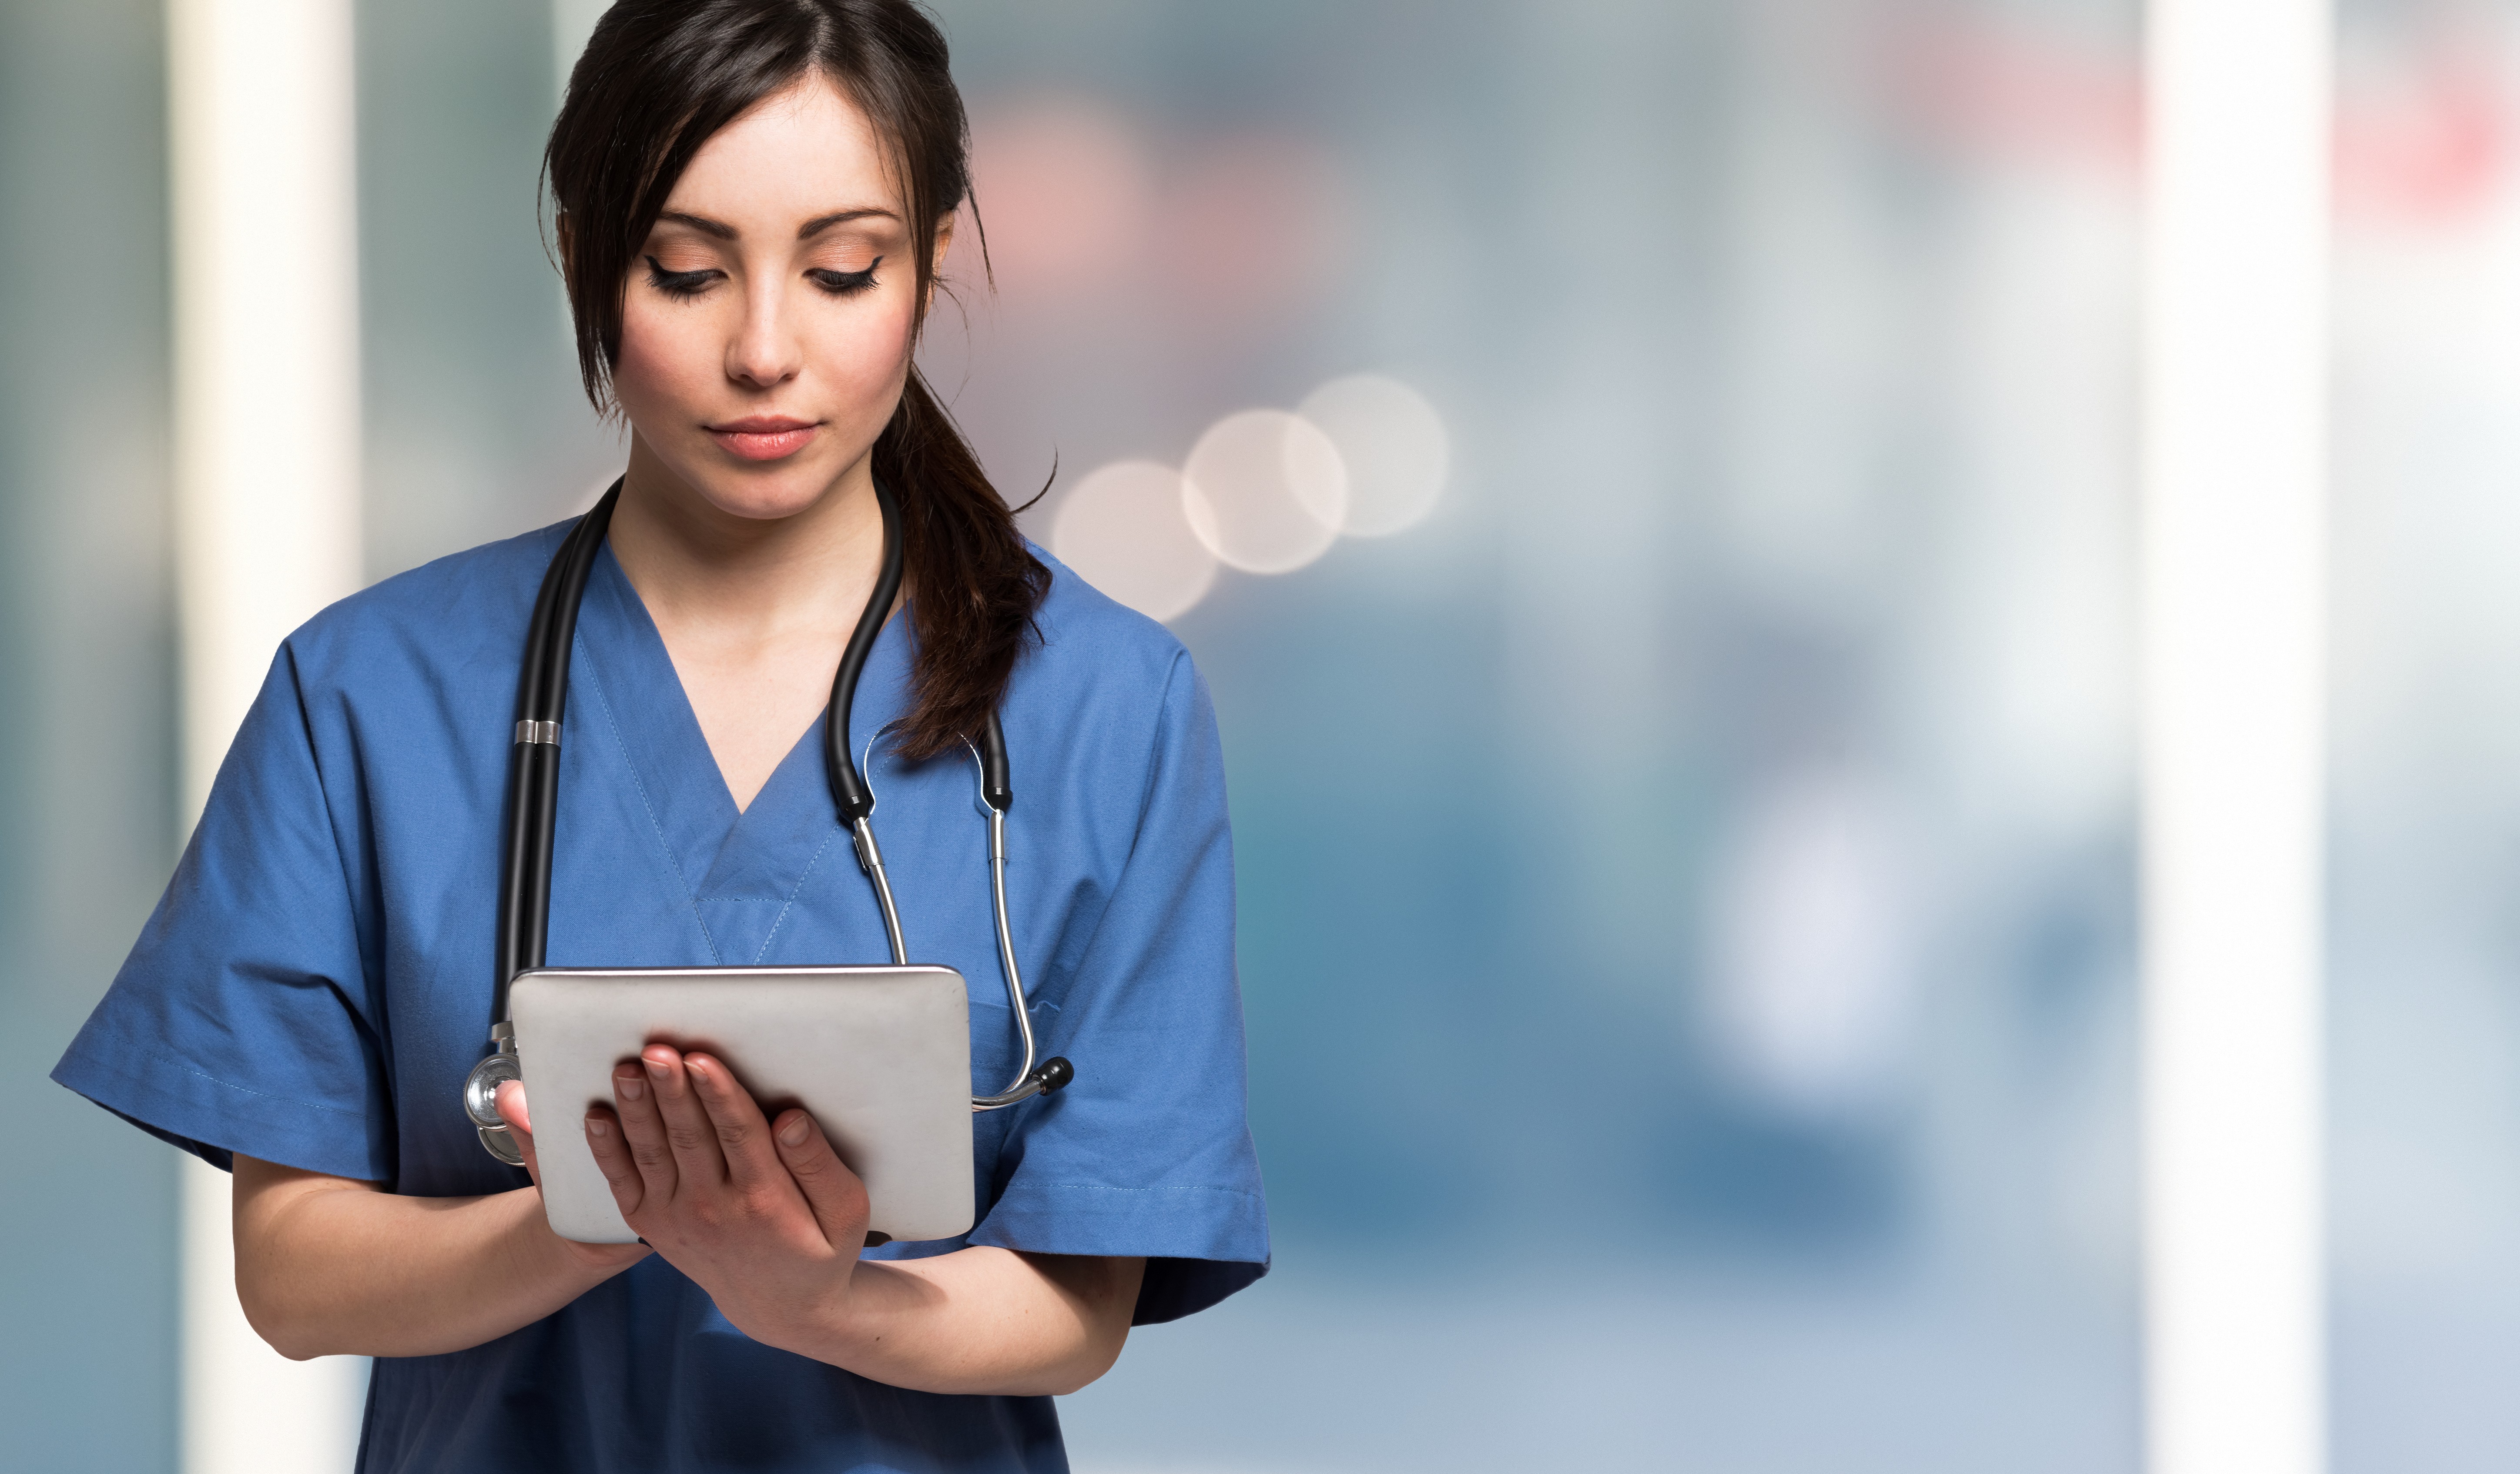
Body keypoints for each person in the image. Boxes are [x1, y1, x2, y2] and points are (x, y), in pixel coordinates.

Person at [50, 1, 1267, 1467]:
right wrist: (608, 1215)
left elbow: (1083, 1293)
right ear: (584, 255)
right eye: (687, 273)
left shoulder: (1103, 706)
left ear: (935, 253)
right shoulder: (370, 694)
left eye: (841, 270)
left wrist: (810, 1296)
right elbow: (295, 1275)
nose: (766, 350)